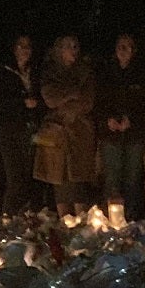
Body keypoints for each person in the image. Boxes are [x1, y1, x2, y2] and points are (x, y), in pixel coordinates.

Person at [36, 34, 98, 213]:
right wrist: (72, 93)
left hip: (80, 133)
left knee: (78, 182)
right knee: (60, 180)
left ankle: (80, 225)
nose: (74, 50)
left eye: (76, 46)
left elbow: (87, 101)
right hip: (57, 134)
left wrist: (68, 104)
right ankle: (65, 225)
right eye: (69, 46)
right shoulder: (50, 72)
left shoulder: (85, 71)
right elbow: (50, 98)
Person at [0, 35, 40, 215]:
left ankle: (27, 218)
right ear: (14, 49)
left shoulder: (35, 71)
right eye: (20, 46)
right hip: (10, 131)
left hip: (31, 130)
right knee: (15, 179)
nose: (24, 50)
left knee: (31, 177)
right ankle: (8, 218)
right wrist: (21, 102)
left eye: (28, 46)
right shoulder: (3, 72)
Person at [95, 32, 145, 218]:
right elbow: (98, 101)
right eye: (120, 46)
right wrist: (107, 119)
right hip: (110, 134)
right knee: (112, 179)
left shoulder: (141, 72)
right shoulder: (106, 72)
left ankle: (131, 219)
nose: (123, 50)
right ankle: (111, 221)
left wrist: (131, 120)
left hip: (134, 134)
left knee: (132, 179)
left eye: (127, 47)